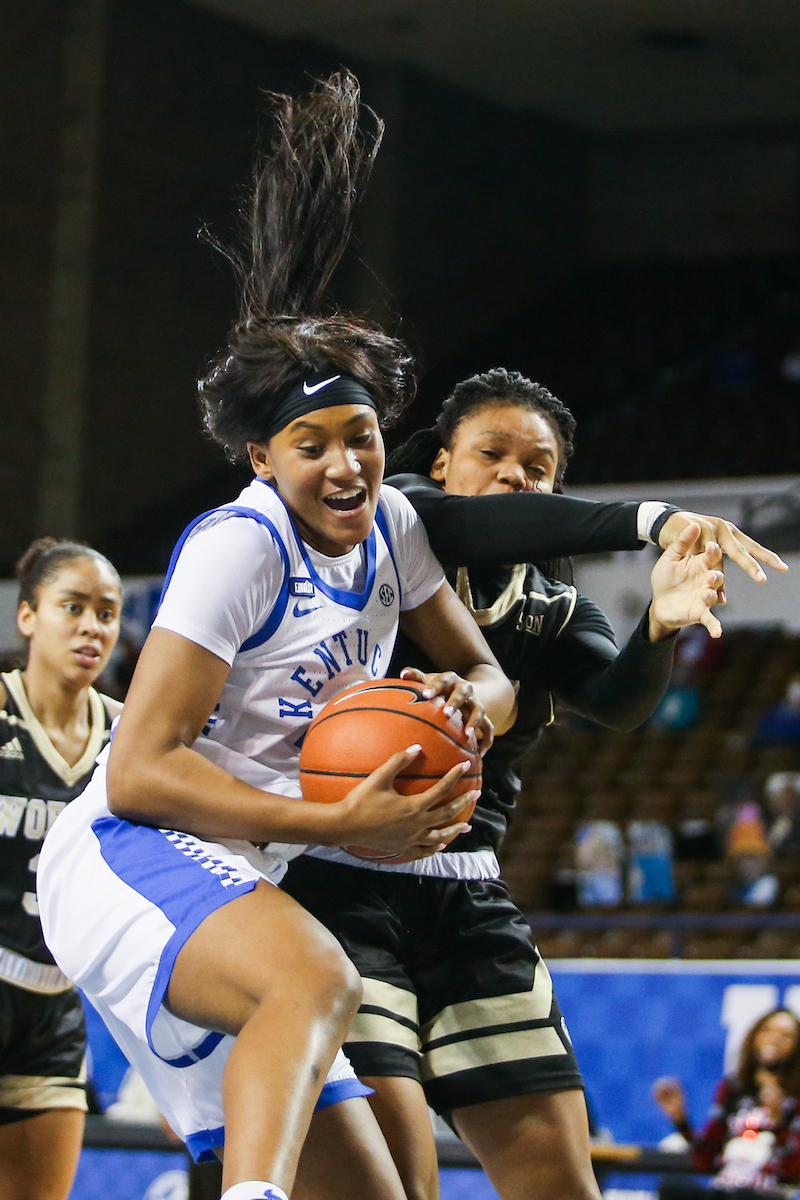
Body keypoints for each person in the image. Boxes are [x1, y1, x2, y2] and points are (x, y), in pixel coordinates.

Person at [36, 73, 516, 1200]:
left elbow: (483, 673)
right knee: (319, 977)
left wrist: (469, 714)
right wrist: (329, 821)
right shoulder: (236, 549)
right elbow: (147, 772)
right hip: (123, 857)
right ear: (261, 459)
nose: (346, 463)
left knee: (366, 1192)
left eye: (359, 434)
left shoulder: (393, 524)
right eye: (311, 443)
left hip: (233, 877)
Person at [283, 367, 786, 1200]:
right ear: (443, 463)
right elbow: (476, 522)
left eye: (540, 465)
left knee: (561, 1181)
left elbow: (621, 706)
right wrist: (652, 519)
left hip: (467, 897)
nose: (518, 474)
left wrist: (657, 627)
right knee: (394, 1183)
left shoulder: (553, 607)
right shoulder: (401, 516)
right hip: (337, 883)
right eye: (494, 453)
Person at [0, 537, 122, 1200]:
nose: (91, 626)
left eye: (105, 613)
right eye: (71, 607)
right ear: (28, 617)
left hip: (55, 1004)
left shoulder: (132, 740)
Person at [653, 1008, 800, 1198]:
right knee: (672, 1188)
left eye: (785, 1035)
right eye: (767, 1030)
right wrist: (680, 1120)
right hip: (725, 1189)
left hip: (768, 1193)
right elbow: (706, 1159)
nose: (774, 1039)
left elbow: (794, 1171)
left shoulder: (795, 1099)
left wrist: (779, 1123)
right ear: (754, 1036)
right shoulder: (733, 1089)